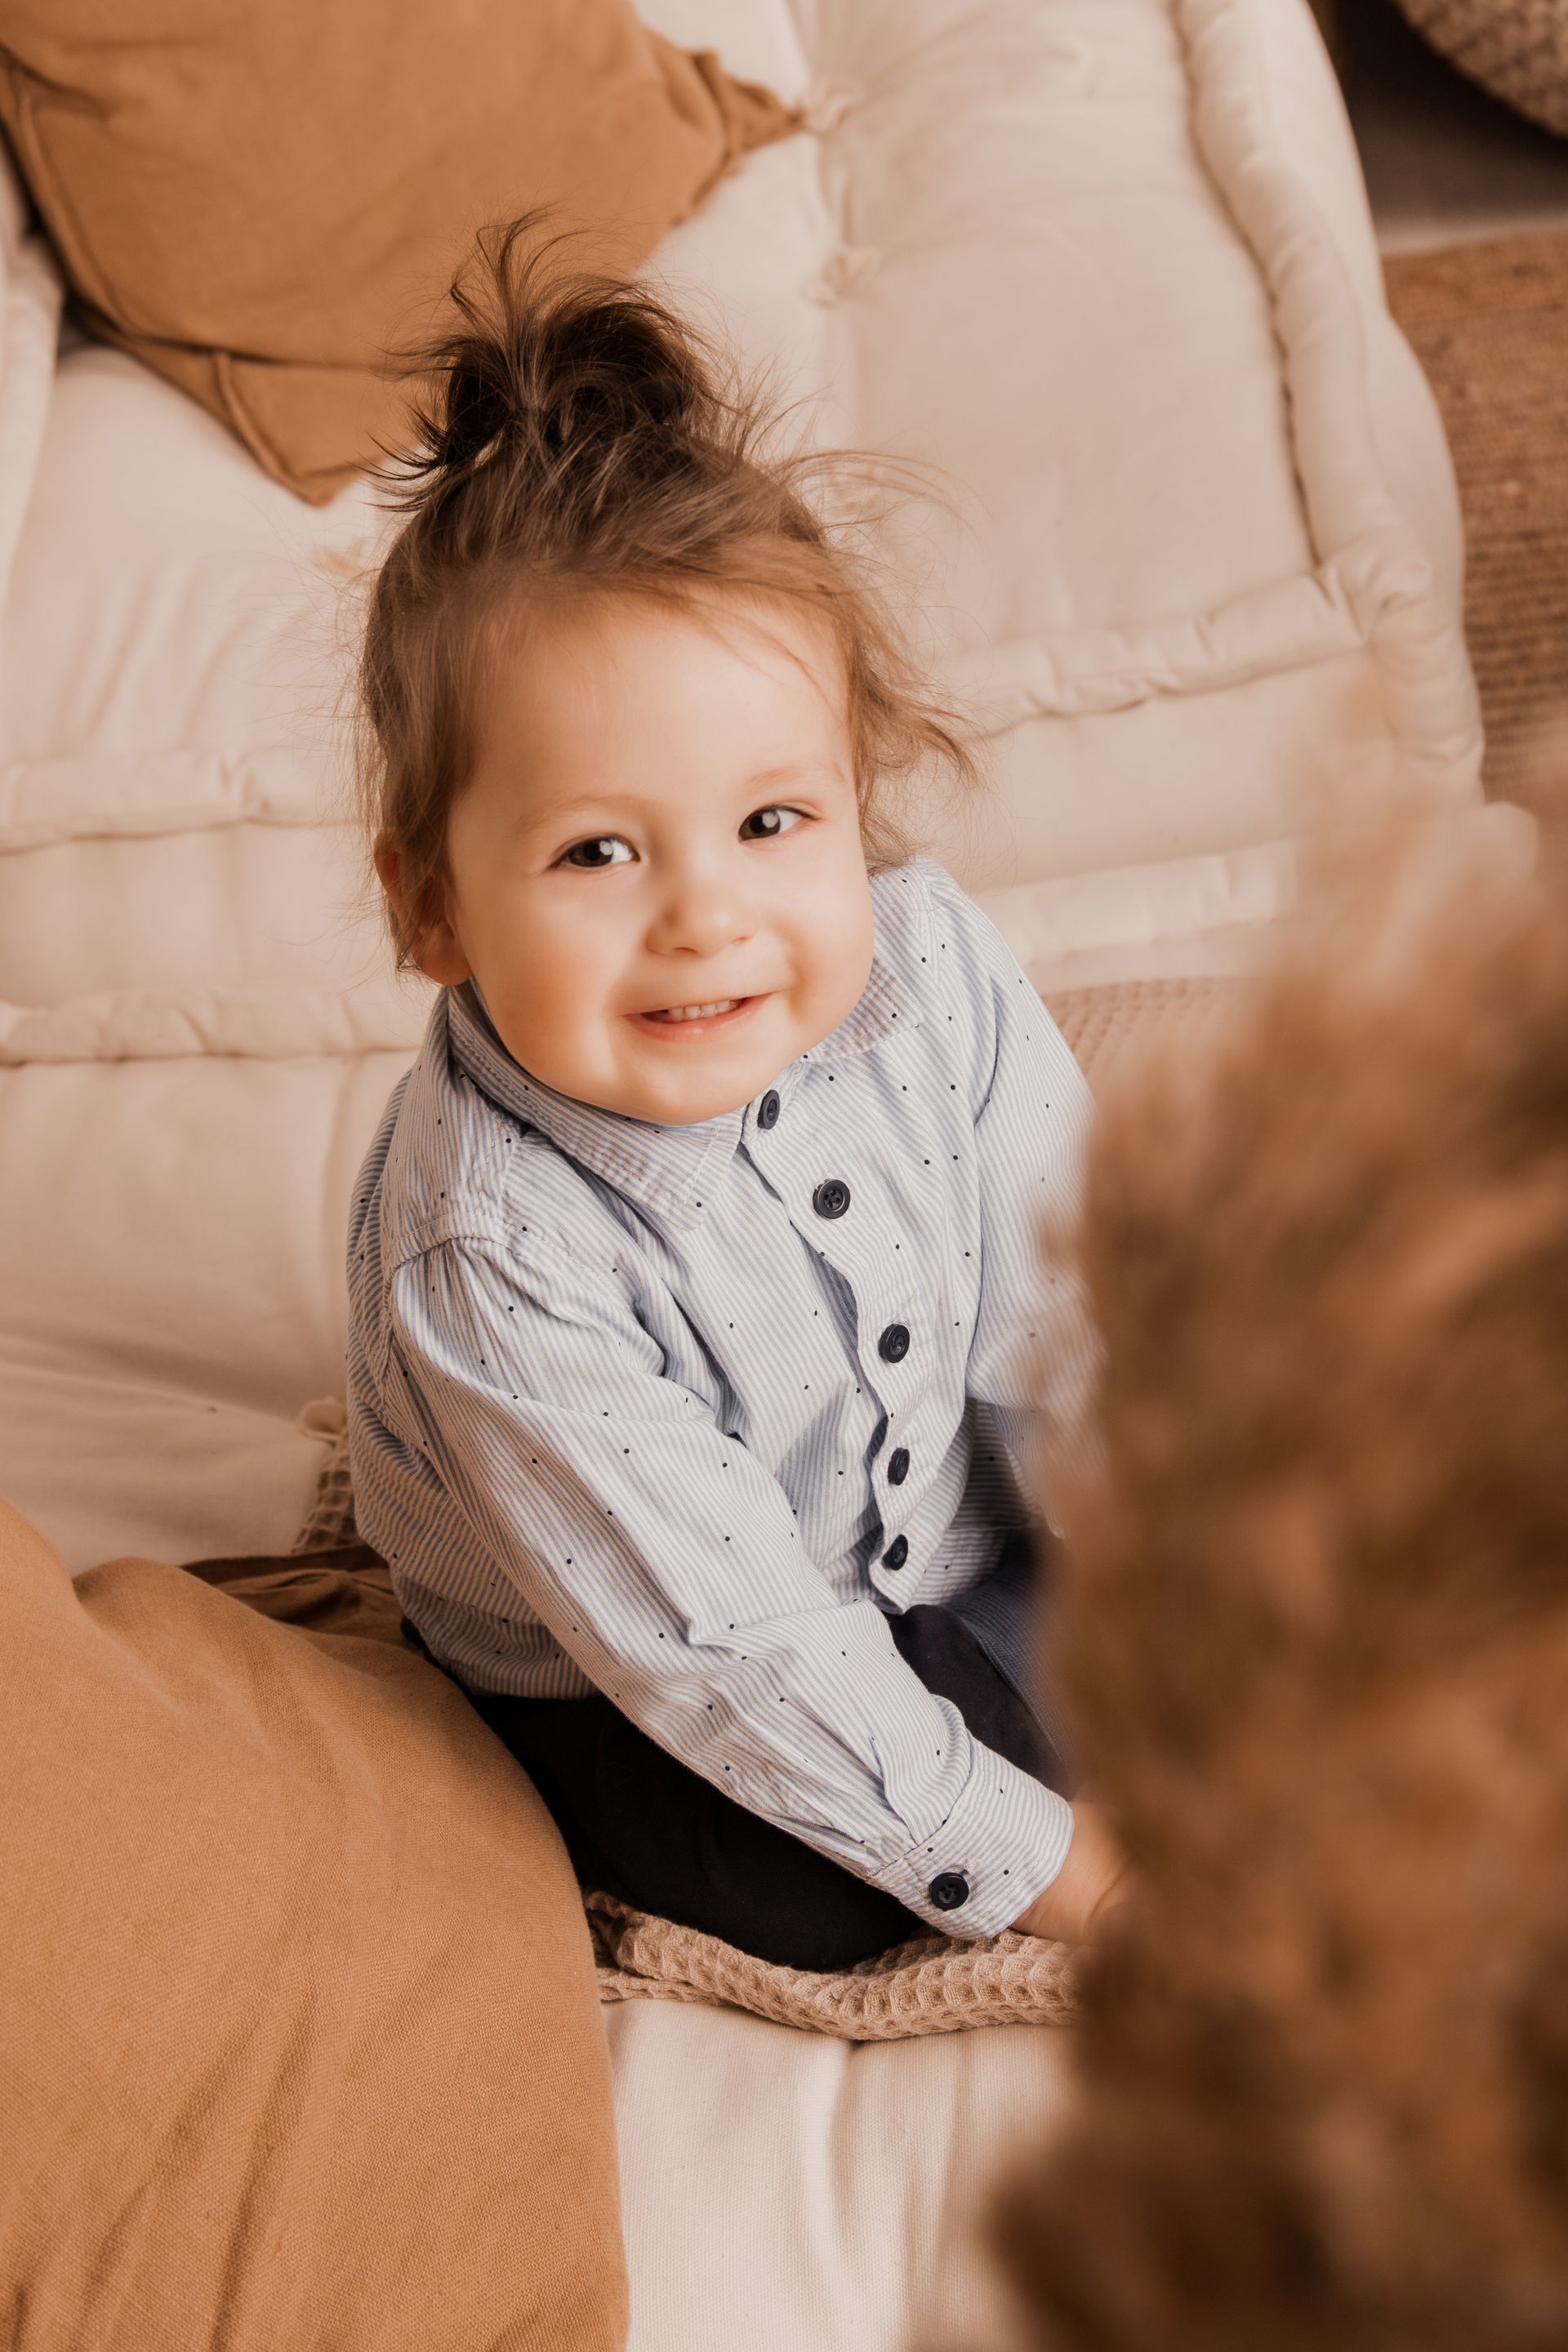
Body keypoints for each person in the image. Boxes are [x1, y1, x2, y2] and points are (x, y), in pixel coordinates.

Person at [345, 213, 1125, 1971]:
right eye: (599, 851)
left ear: (861, 804)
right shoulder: (492, 1253)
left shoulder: (926, 971)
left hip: (933, 1518)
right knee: (820, 1883)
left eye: (775, 823)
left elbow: (1076, 1302)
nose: (709, 914)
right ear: (432, 907)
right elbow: (735, 1649)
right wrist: (1079, 1881)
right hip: (641, 1644)